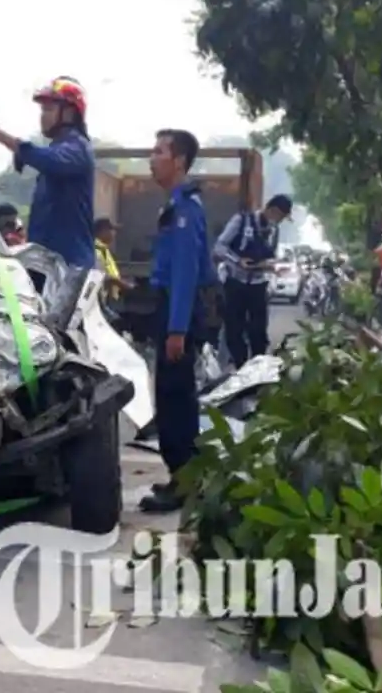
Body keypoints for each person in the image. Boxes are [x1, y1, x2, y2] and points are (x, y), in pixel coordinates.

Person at [140, 129, 216, 514]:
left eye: (159, 151)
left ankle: (184, 482)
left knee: (175, 400)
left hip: (178, 310)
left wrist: (177, 330)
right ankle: (180, 477)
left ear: (180, 161)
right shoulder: (177, 205)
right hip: (172, 308)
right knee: (172, 397)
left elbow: (185, 273)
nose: (151, 158)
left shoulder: (185, 210)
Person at [0, 77, 95, 269]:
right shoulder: (58, 147)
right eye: (42, 110)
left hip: (70, 268)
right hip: (48, 265)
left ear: (69, 113)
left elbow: (47, 160)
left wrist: (1, 137)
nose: (43, 116)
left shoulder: (78, 148)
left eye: (49, 110)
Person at [213, 194, 292, 367]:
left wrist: (272, 266)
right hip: (235, 282)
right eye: (280, 216)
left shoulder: (273, 231)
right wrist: (238, 261)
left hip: (258, 284)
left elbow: (270, 256)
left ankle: (256, 371)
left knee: (258, 332)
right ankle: (240, 366)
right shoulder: (241, 221)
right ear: (272, 210)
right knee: (234, 331)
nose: (279, 221)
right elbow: (219, 247)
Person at [93, 218, 130, 301]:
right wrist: (119, 283)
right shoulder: (96, 250)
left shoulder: (104, 249)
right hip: (99, 298)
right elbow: (99, 275)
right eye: (112, 230)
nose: (114, 234)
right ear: (103, 231)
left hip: (107, 296)